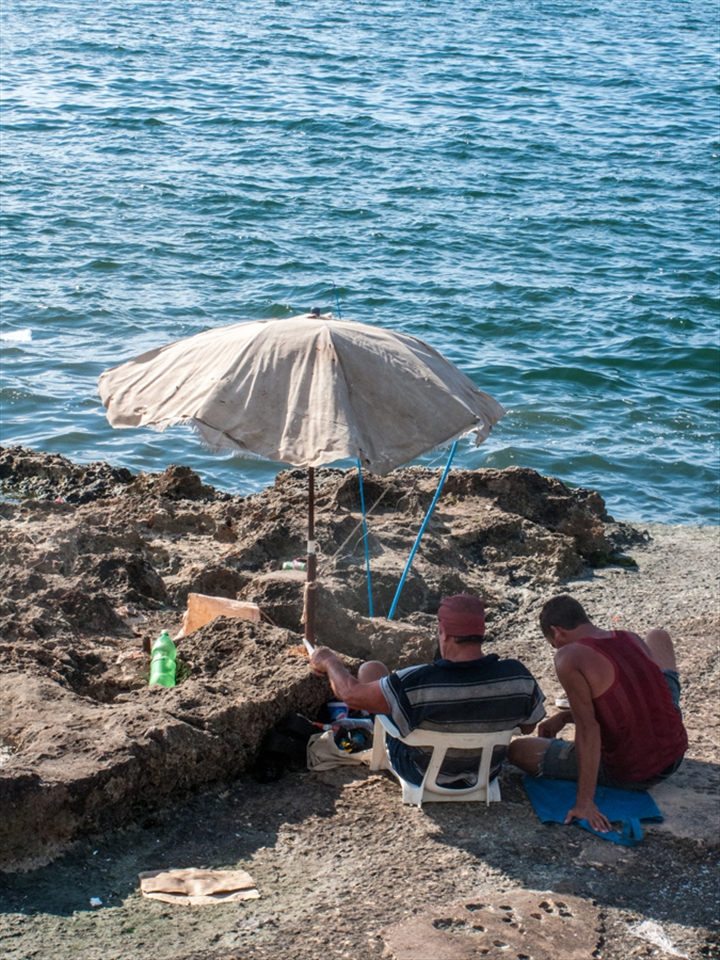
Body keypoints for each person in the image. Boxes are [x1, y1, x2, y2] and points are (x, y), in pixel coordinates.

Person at [309, 594, 546, 790]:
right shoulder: (518, 676)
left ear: (442, 632)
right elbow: (527, 727)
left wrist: (329, 660)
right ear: (481, 632)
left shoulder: (418, 681)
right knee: (378, 675)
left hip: (421, 771)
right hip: (484, 771)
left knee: (372, 671)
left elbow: (350, 694)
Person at [507, 594, 688, 833]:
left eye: (553, 642)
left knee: (518, 750)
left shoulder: (568, 655)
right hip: (674, 751)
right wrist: (563, 716)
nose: (556, 648)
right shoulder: (629, 638)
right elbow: (616, 698)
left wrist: (585, 802)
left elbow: (588, 729)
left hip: (638, 771)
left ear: (556, 632)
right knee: (657, 637)